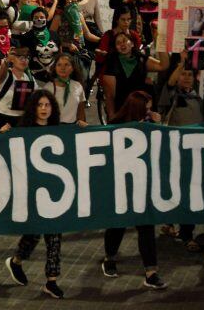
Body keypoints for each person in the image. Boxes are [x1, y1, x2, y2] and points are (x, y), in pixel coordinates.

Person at [101, 91, 167, 289]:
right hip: (121, 184)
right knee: (118, 223)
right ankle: (109, 258)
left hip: (142, 185)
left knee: (146, 226)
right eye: (146, 108)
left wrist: (159, 124)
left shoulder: (149, 124)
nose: (150, 112)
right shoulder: (117, 126)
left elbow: (162, 147)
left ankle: (151, 271)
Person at [4, 89, 64, 299]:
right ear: (33, 108)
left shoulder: (59, 130)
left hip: (54, 194)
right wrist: (3, 135)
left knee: (54, 236)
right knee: (34, 234)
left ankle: (51, 280)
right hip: (31, 192)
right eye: (40, 105)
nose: (44, 109)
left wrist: (82, 129)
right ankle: (16, 261)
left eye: (47, 105)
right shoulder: (24, 130)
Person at [47, 53, 87, 125]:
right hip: (54, 128)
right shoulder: (48, 88)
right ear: (55, 68)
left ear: (72, 68)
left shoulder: (78, 86)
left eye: (66, 65)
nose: (62, 68)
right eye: (59, 65)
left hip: (72, 128)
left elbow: (81, 111)